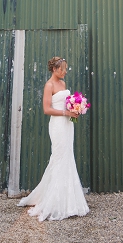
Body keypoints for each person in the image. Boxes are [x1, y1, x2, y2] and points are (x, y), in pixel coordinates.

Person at [17, 56, 89, 221]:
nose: (64, 71)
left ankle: (69, 200)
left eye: (65, 68)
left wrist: (76, 107)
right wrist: (66, 112)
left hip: (67, 125)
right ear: (54, 69)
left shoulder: (63, 84)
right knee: (58, 157)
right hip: (57, 125)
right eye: (62, 69)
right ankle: (54, 202)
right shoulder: (49, 85)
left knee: (67, 157)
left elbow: (66, 103)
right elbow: (47, 109)